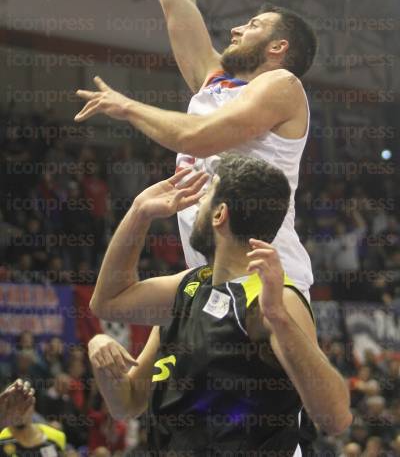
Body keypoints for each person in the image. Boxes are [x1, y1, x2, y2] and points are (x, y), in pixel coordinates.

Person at [74, 0, 317, 297]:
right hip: (212, 276)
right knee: (116, 308)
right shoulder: (216, 83)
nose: (238, 29)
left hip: (269, 281)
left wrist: (128, 107)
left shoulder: (283, 85)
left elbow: (198, 138)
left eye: (254, 25)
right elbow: (176, 0)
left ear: (279, 47)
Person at [89, 154, 351, 454]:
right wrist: (139, 213)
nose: (196, 207)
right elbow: (109, 307)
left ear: (219, 214)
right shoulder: (188, 288)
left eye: (206, 197)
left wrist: (278, 317)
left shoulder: (273, 300)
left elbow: (336, 418)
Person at [0, 393, 65, 457]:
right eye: (14, 406)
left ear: (32, 406)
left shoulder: (56, 437)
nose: (19, 411)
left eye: (24, 406)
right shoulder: (4, 437)